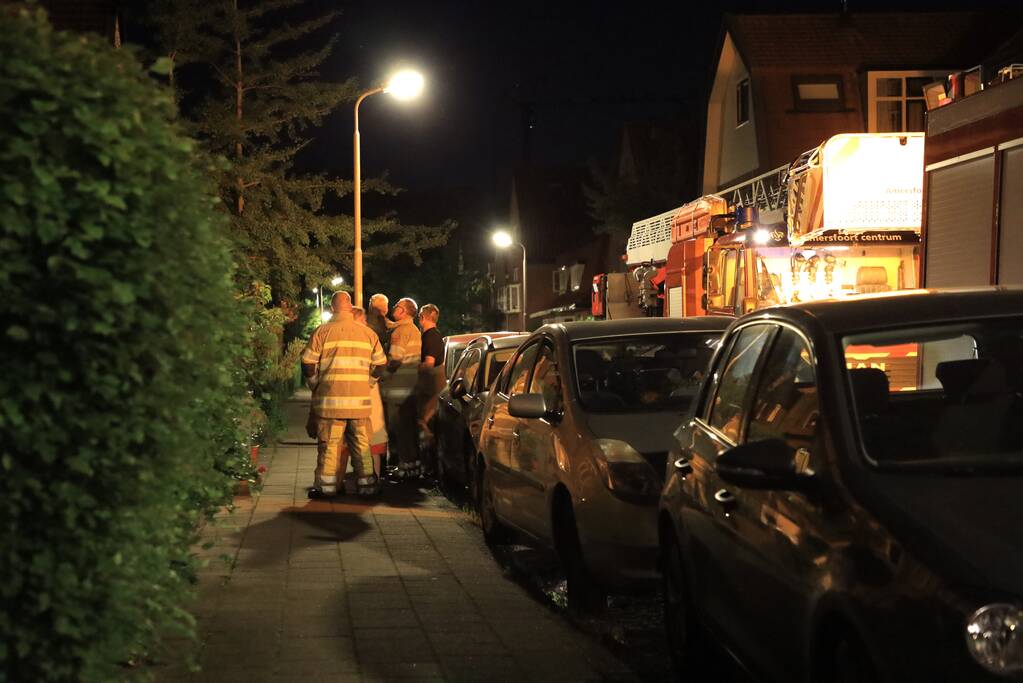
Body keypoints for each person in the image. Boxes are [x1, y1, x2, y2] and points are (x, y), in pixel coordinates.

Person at [301, 291, 386, 498]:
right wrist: (368, 382)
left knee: (330, 445)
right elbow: (381, 364)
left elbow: (308, 362)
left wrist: (315, 384)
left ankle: (327, 488)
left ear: (332, 308)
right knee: (362, 445)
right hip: (359, 403)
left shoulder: (322, 332)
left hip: (330, 403)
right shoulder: (368, 334)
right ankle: (367, 486)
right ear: (350, 307)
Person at [379, 297, 422, 479]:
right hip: (411, 387)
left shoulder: (401, 332)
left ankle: (404, 468)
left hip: (397, 390)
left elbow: (395, 359)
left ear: (403, 311)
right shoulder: (412, 329)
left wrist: (382, 376)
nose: (394, 308)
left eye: (396, 306)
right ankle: (412, 466)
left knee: (400, 429)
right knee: (409, 429)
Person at [416, 303, 446, 472]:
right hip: (433, 387)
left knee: (424, 423)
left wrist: (410, 366)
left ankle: (430, 465)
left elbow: (428, 364)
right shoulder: (434, 336)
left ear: (422, 317)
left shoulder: (430, 337)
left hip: (431, 388)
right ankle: (430, 464)